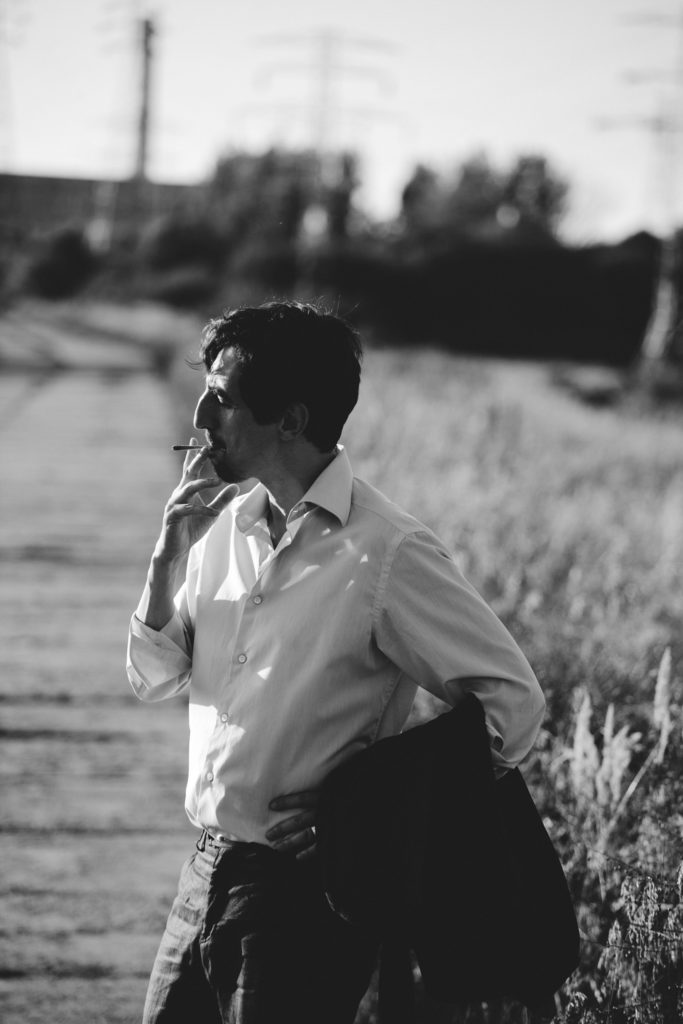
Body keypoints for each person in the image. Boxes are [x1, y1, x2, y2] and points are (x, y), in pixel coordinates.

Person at [126, 300, 546, 1024]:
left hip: (304, 902)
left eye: (221, 397)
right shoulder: (224, 526)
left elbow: (515, 708)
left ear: (290, 420)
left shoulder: (388, 551)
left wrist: (369, 817)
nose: (200, 416)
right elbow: (155, 676)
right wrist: (167, 557)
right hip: (201, 876)